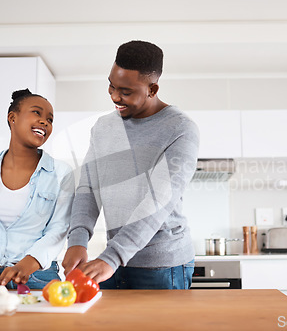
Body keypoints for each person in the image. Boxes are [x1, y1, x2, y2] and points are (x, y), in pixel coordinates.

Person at [62, 40, 200, 289]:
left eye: (126, 91)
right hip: (113, 260)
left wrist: (112, 257)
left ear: (152, 89)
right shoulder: (103, 128)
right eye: (111, 86)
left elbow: (156, 203)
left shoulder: (180, 129)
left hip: (162, 265)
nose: (115, 96)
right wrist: (78, 239)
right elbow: (88, 188)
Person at [0, 89, 75, 289]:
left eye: (50, 119)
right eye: (37, 113)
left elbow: (58, 229)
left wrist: (27, 264)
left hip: (38, 278)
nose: (45, 122)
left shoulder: (61, 173)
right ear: (12, 118)